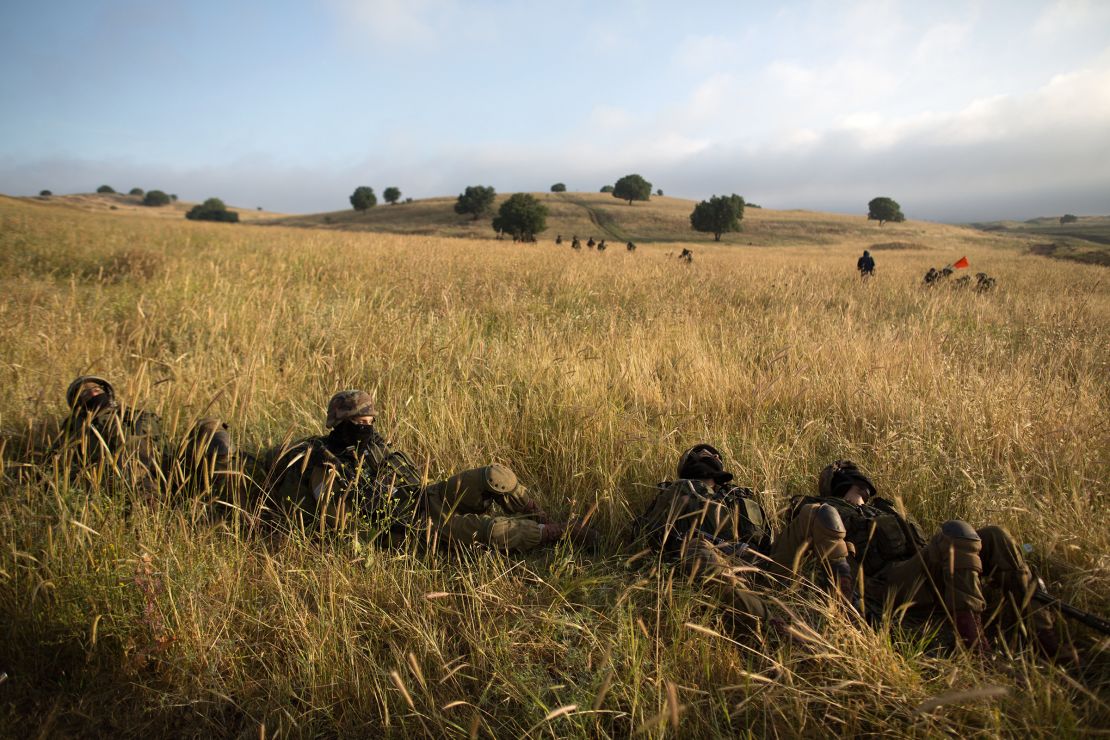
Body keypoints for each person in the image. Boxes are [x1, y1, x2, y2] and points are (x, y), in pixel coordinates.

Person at [784, 460, 1068, 658]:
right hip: (888, 584)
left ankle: (1046, 638)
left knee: (996, 536)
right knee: (956, 532)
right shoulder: (824, 510)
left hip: (921, 571)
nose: (862, 483)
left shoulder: (887, 510)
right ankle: (976, 648)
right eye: (851, 476)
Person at [268, 390, 593, 552]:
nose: (365, 429)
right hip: (406, 526)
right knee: (491, 530)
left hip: (425, 497)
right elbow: (337, 523)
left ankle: (542, 518)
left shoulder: (378, 445)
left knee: (495, 476)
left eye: (369, 422)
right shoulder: (325, 466)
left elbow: (409, 477)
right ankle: (559, 534)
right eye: (357, 424)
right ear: (339, 425)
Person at [635, 444, 853, 635]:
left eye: (713, 454)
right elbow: (646, 537)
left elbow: (767, 537)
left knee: (818, 512)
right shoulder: (672, 493)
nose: (706, 453)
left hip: (762, 567)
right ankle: (776, 627)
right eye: (698, 453)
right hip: (716, 570)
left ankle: (846, 602)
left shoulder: (741, 497)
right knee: (696, 548)